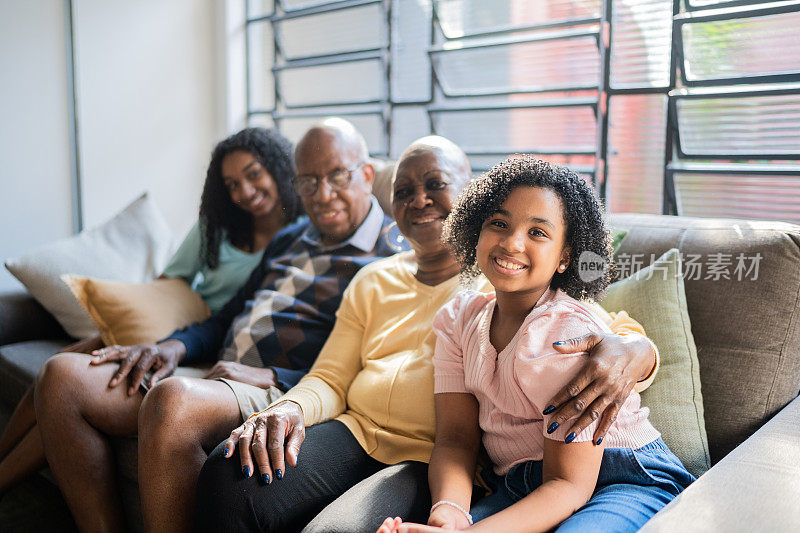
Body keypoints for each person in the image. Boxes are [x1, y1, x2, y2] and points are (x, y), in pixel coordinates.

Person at [194, 137, 662, 533]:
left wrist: (636, 349)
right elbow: (345, 383)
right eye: (404, 190)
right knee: (230, 474)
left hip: (601, 472)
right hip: (491, 467)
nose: (419, 199)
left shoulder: (541, 310)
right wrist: (449, 515)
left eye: (435, 184)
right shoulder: (453, 311)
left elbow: (606, 334)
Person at [32, 118, 401, 532]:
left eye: (337, 176)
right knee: (63, 376)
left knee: (172, 403)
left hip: (283, 389)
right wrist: (172, 347)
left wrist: (271, 374)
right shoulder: (293, 236)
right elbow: (228, 315)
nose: (323, 195)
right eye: (308, 183)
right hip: (218, 377)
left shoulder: (392, 257)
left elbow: (373, 369)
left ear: (367, 175)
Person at [378, 156, 693, 533]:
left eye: (537, 233)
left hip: (623, 478)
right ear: (476, 230)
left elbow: (568, 485)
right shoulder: (458, 319)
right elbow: (456, 439)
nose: (512, 242)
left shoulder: (562, 333)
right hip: (525, 482)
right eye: (499, 223)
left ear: (564, 257)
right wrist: (448, 515)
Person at [0, 127, 298, 503]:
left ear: (277, 167)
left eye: (253, 174)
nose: (244, 191)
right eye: (232, 183)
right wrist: (147, 324)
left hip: (210, 337)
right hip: (180, 324)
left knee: (67, 383)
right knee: (61, 367)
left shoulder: (299, 240)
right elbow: (169, 279)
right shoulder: (219, 225)